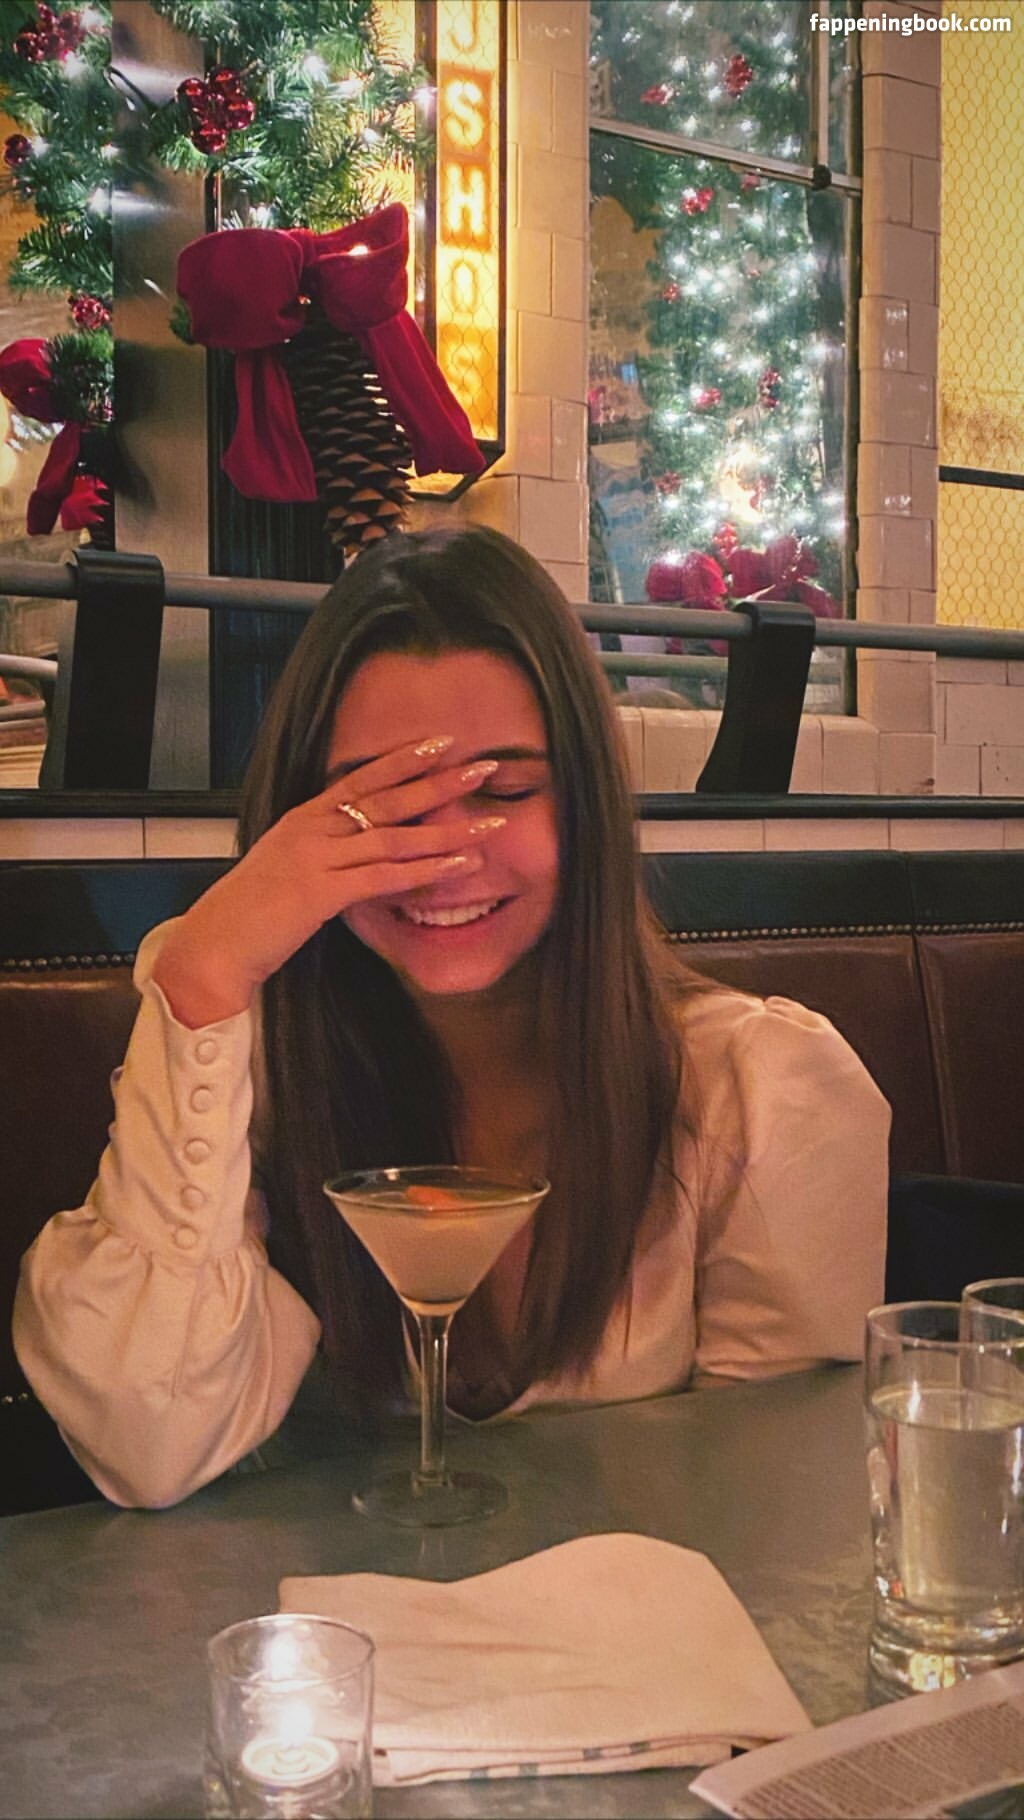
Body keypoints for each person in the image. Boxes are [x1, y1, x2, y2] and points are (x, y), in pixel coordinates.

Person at [13, 526, 889, 1509]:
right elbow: (148, 1444)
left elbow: (776, 1515)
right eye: (380, 805)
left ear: (588, 806)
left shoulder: (765, 1092)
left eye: (501, 790)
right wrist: (206, 969)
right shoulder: (247, 1061)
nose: (443, 858)